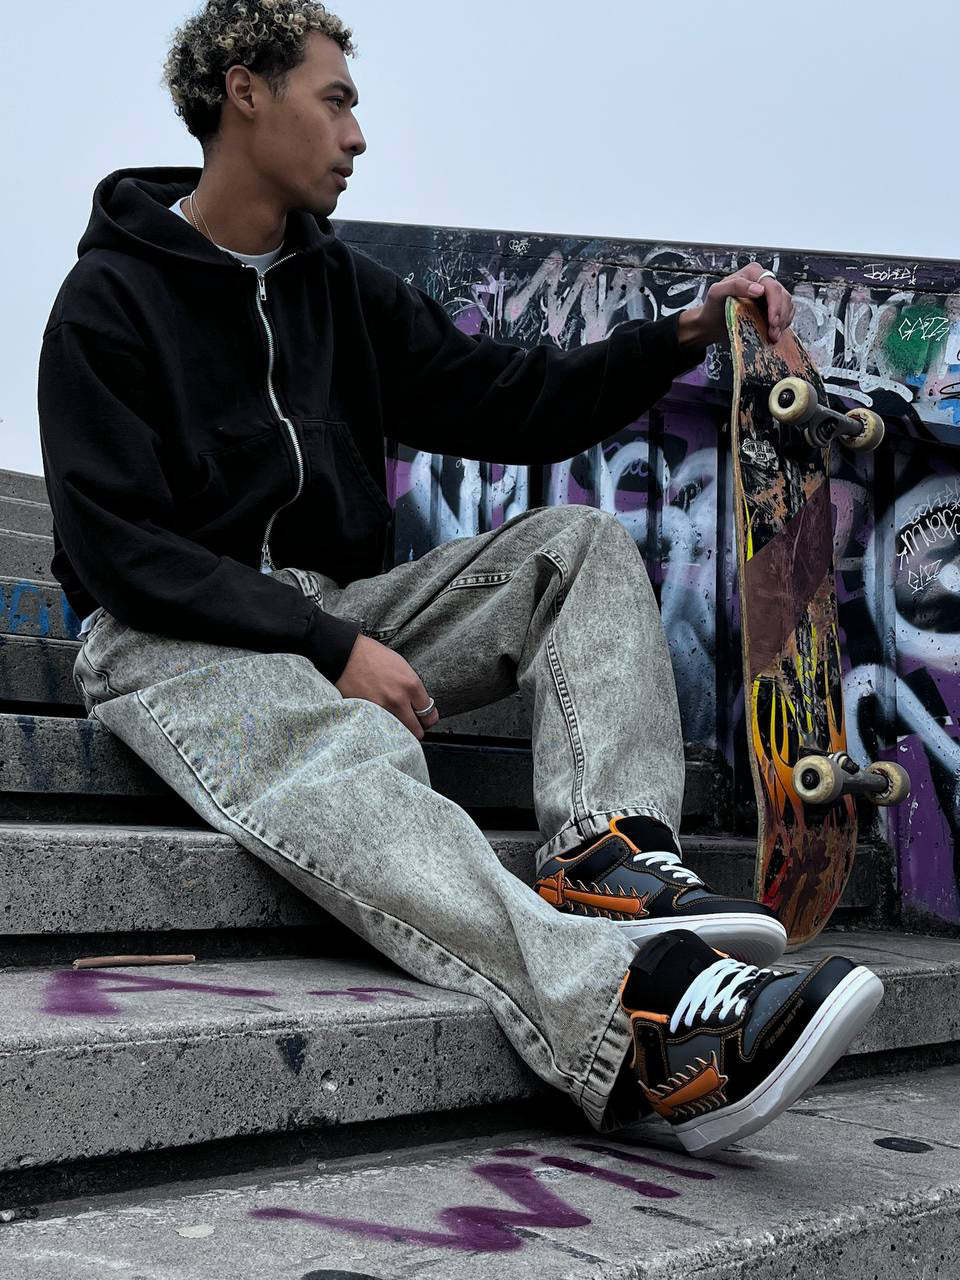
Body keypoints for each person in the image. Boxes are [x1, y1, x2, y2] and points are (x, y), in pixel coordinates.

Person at [37, 0, 882, 1157]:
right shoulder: (108, 302)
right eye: (335, 101)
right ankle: (638, 1020)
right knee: (346, 743)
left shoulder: (337, 288)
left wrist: (679, 335)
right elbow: (116, 546)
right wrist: (329, 647)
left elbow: (507, 397)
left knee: (574, 547)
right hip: (166, 639)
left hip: (333, 612)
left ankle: (608, 852)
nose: (357, 135)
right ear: (245, 92)